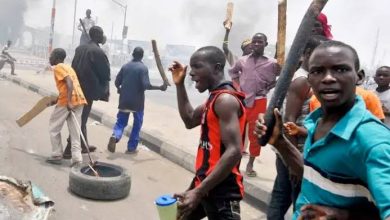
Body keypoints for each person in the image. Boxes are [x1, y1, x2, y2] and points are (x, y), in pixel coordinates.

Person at [255, 40, 390, 220]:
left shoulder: (373, 141)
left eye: (340, 69)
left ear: (358, 77)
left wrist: (346, 216)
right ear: (309, 79)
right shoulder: (316, 122)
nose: (327, 78)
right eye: (318, 71)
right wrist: (280, 142)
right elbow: (315, 177)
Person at [169, 46, 246, 219]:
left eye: (197, 66)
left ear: (217, 68)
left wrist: (198, 191)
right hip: (205, 185)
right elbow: (189, 119)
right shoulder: (214, 99)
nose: (191, 73)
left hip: (222, 192)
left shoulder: (225, 100)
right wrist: (180, 85)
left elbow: (234, 151)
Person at [267, 35, 328, 220]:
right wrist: (294, 161)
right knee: (296, 199)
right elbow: (289, 121)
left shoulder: (304, 77)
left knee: (281, 195)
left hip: (291, 148)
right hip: (295, 150)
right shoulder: (302, 80)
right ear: (308, 53)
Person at [229, 33, 280, 177]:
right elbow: (233, 73)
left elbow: (279, 78)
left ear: (265, 43)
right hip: (243, 100)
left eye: (260, 42)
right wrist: (238, 87)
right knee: (237, 131)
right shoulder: (242, 60)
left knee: (256, 133)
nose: (256, 44)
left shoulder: (272, 63)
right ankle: (233, 161)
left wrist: (269, 87)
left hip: (259, 101)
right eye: (254, 42)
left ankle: (250, 163)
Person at [107, 47, 167, 154]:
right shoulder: (143, 68)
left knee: (120, 122)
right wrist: (160, 87)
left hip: (124, 100)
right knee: (137, 124)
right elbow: (146, 85)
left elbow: (117, 82)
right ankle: (131, 147)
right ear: (142, 56)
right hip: (137, 103)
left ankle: (115, 136)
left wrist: (119, 89)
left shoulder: (125, 66)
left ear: (132, 54)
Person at [63, 26, 110, 159]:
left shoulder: (80, 48)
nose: (103, 36)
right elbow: (105, 73)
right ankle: (68, 149)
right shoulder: (98, 52)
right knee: (82, 119)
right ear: (96, 35)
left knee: (81, 116)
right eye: (101, 34)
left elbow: (73, 67)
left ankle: (83, 146)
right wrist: (103, 88)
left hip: (76, 88)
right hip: (88, 90)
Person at [46, 48, 86, 167]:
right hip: (79, 100)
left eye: (51, 56)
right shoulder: (69, 67)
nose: (50, 58)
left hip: (68, 102)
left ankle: (57, 154)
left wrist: (68, 101)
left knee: (53, 127)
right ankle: (77, 159)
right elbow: (67, 86)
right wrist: (56, 100)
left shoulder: (58, 67)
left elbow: (69, 83)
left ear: (57, 58)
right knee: (75, 131)